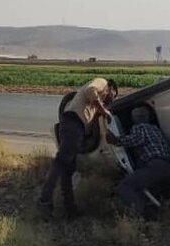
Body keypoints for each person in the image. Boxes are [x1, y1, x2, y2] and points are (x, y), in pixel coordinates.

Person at [38, 77, 118, 219]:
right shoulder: (102, 82)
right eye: (113, 94)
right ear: (111, 88)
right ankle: (44, 200)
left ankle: (70, 210)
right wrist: (105, 112)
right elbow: (90, 90)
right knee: (61, 162)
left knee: (68, 171)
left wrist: (100, 113)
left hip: (74, 127)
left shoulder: (95, 105)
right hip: (73, 123)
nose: (111, 98)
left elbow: (90, 124)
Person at [106, 106, 170, 220]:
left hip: (156, 167)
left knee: (125, 186)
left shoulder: (139, 127)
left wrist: (116, 140)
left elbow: (136, 139)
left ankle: (145, 217)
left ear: (134, 118)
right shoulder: (156, 129)